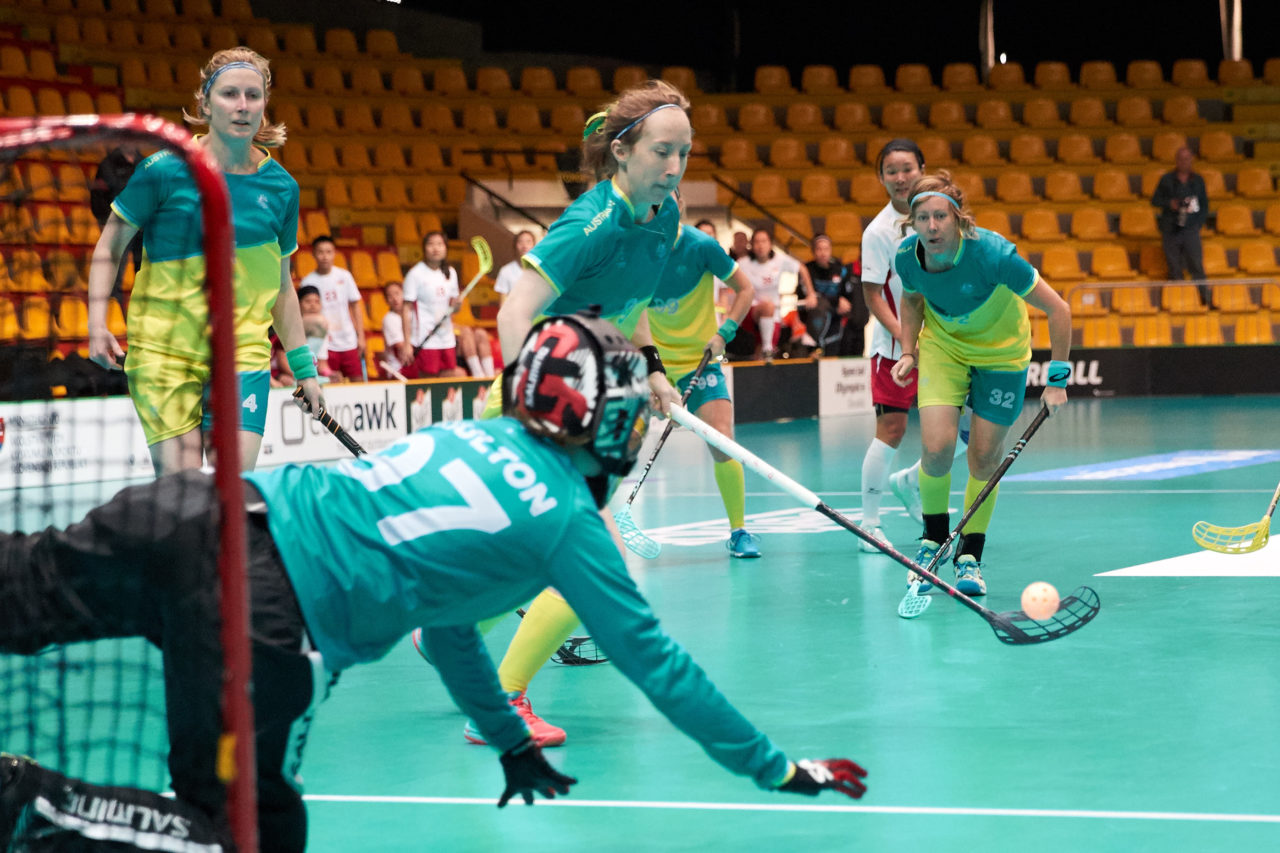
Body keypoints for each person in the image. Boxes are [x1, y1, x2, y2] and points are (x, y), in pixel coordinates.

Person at [0, 313, 868, 853]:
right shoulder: (567, 520)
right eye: (626, 410)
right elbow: (660, 667)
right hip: (260, 617)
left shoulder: (483, 432)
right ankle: (29, 803)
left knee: (20, 585)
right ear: (592, 417)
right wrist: (779, 771)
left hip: (200, 506)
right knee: (242, 837)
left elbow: (446, 624)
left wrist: (509, 738)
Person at [460, 79, 690, 748]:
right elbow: (512, 312)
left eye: (683, 153)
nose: (673, 168)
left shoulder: (666, 215)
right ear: (622, 152)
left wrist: (652, 367)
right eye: (661, 152)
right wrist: (534, 404)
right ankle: (499, 704)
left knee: (534, 558)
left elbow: (631, 303)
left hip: (599, 406)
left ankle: (448, 627)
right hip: (543, 408)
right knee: (590, 567)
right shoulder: (589, 222)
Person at [86, 47, 322, 475]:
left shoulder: (283, 188)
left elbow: (282, 286)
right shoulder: (163, 170)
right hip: (164, 351)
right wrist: (96, 321)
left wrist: (304, 368)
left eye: (254, 95)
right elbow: (110, 246)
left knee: (233, 491)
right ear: (205, 103)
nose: (242, 106)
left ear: (265, 105)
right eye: (230, 94)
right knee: (184, 497)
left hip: (243, 354)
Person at [890, 172, 1072, 595]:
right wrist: (907, 350)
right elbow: (912, 298)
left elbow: (1059, 309)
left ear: (957, 219)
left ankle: (969, 555)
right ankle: (932, 541)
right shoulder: (907, 257)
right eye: (922, 218)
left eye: (940, 216)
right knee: (935, 449)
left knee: (983, 458)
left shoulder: (994, 254)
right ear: (911, 222)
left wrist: (1057, 380)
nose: (932, 227)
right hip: (944, 349)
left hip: (1001, 355)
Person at [859, 139, 968, 545]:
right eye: (891, 171)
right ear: (882, 178)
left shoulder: (943, 219)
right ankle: (869, 525)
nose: (900, 177)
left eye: (907, 168)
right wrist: (907, 340)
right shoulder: (878, 232)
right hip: (894, 348)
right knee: (890, 429)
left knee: (970, 429)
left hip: (945, 344)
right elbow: (874, 294)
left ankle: (910, 480)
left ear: (922, 167)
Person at [648, 220, 760, 557]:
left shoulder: (701, 246)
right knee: (624, 440)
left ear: (679, 206)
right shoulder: (633, 248)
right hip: (652, 363)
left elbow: (746, 289)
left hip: (701, 358)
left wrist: (724, 332)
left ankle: (739, 531)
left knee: (721, 440)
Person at [402, 231, 495, 378]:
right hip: (425, 340)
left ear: (445, 248)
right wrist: (407, 343)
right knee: (428, 384)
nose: (435, 248)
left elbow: (453, 310)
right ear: (424, 248)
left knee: (447, 381)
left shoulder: (451, 273)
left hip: (446, 340)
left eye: (440, 244)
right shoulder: (415, 274)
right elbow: (406, 310)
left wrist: (457, 304)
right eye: (431, 244)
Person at [739, 228, 816, 361]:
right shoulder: (743, 263)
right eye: (757, 242)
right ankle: (768, 348)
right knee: (767, 307)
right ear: (751, 245)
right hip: (750, 313)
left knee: (761, 357)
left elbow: (801, 269)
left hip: (773, 316)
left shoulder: (780, 260)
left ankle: (764, 356)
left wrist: (811, 294)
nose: (760, 245)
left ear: (770, 244)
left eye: (764, 241)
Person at [298, 235, 366, 381]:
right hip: (325, 344)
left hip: (349, 341)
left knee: (358, 383)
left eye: (329, 252)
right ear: (314, 254)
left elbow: (356, 307)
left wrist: (361, 337)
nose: (325, 256)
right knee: (331, 384)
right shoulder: (308, 281)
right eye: (321, 252)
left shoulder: (345, 276)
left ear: (334, 253)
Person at [1150, 146, 1210, 305]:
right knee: (1174, 268)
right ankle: (1179, 302)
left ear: (1191, 160)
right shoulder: (1166, 179)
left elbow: (1204, 205)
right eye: (1181, 159)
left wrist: (1198, 223)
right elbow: (1154, 200)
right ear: (1177, 160)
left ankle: (1205, 300)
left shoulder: (1198, 181)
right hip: (1171, 229)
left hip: (1190, 229)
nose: (1184, 162)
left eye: (1187, 159)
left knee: (1197, 266)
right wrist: (1170, 203)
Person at [88, 143, 142, 300]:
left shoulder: (145, 164)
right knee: (113, 277)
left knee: (143, 275)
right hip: (117, 228)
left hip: (141, 229)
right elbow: (97, 196)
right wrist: (104, 221)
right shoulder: (107, 165)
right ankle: (112, 313)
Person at [804, 234, 868, 357]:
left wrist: (840, 303)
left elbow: (845, 296)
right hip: (814, 326)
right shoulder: (808, 270)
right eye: (819, 249)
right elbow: (812, 298)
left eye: (826, 249)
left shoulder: (839, 270)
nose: (823, 253)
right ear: (813, 250)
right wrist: (836, 301)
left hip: (836, 326)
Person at [492, 229, 537, 304]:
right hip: (514, 315)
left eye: (528, 242)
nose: (524, 246)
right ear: (515, 245)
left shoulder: (542, 270)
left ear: (534, 245)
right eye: (521, 242)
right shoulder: (506, 271)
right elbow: (503, 301)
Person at [378, 280, 412, 380]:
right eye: (390, 296)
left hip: (415, 364)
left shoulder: (413, 314)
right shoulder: (389, 319)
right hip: (399, 369)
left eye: (397, 293)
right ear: (386, 300)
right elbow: (402, 348)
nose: (394, 299)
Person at [297, 284, 331, 378]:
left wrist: (330, 375)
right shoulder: (289, 327)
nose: (313, 305)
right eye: (307, 301)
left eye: (317, 301)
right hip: (292, 375)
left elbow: (322, 364)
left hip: (310, 375)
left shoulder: (322, 328)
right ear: (298, 304)